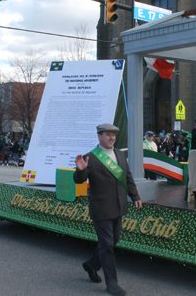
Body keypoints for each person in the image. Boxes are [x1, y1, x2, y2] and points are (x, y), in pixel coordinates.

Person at [74, 124, 142, 296]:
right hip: (101, 208)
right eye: (108, 135)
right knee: (107, 245)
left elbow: (127, 177)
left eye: (113, 135)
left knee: (113, 241)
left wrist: (135, 196)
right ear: (99, 136)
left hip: (118, 206)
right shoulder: (90, 157)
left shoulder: (119, 154)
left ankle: (91, 265)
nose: (112, 138)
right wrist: (80, 171)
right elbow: (79, 181)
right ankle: (112, 283)